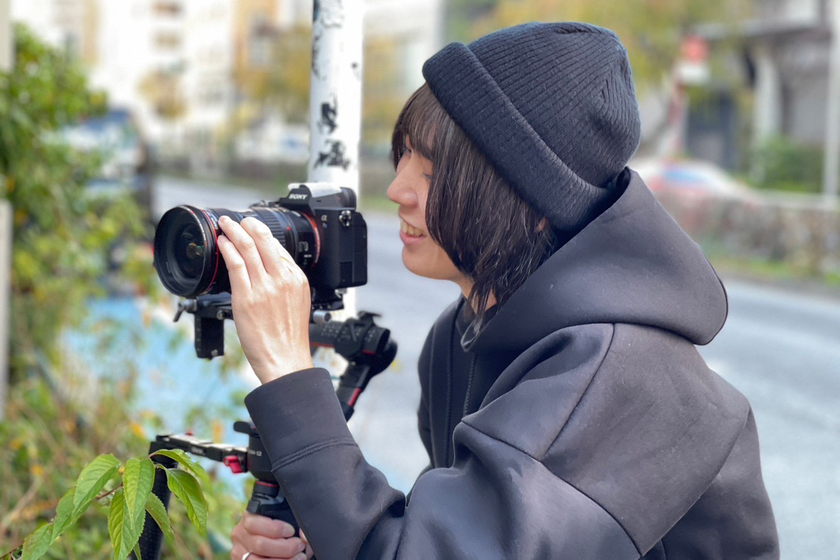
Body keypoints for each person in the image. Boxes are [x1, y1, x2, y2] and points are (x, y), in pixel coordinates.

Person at [223, 22, 780, 560]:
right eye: (405, 154)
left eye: (433, 171)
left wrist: (288, 371)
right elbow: (439, 535)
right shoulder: (460, 334)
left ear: (534, 205)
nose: (397, 189)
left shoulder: (615, 373)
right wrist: (317, 544)